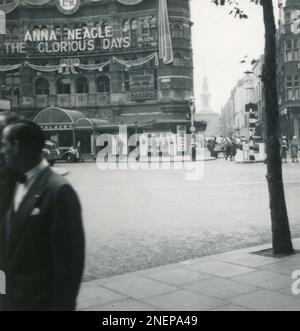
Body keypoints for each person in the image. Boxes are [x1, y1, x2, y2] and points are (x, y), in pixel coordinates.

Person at [0, 120, 85, 311]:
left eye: (4, 145)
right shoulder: (14, 183)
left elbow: (69, 266)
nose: (2, 151)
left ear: (17, 147)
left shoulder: (59, 191)